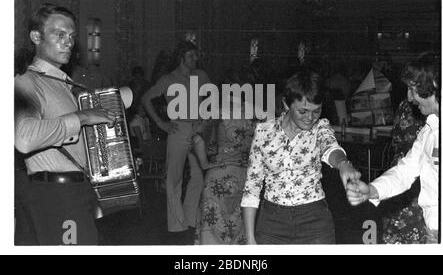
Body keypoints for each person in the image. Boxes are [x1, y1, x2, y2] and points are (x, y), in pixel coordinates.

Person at [15, 3, 116, 245]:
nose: (68, 42)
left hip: (76, 192)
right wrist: (82, 117)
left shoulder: (64, 84)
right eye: (59, 35)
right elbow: (23, 138)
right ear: (36, 37)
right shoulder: (27, 82)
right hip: (56, 196)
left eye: (71, 36)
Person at [240, 68, 361, 244]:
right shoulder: (264, 131)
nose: (310, 118)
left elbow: (330, 147)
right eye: (303, 111)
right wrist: (250, 238)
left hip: (314, 221)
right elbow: (252, 186)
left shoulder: (320, 128)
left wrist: (343, 164)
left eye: (316, 111)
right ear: (287, 105)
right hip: (271, 223)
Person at [346, 52, 440, 244]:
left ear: (435, 86)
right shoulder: (429, 130)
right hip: (433, 234)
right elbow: (404, 171)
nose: (409, 97)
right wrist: (371, 190)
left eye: (412, 89)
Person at [141, 41, 211, 234]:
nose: (195, 59)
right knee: (174, 179)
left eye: (195, 55)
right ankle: (176, 224)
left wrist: (205, 120)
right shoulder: (168, 79)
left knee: (198, 176)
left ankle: (189, 217)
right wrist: (159, 123)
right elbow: (146, 98)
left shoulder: (201, 76)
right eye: (191, 56)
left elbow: (212, 98)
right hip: (178, 129)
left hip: (197, 129)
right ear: (181, 58)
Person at [193, 72, 257, 245]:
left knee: (212, 231)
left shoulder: (217, 112)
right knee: (239, 231)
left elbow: (197, 138)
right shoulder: (257, 114)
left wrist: (205, 163)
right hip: (245, 179)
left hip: (218, 178)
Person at [380, 98, 427, 244]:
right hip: (406, 170)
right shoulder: (407, 105)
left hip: (414, 172)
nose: (410, 94)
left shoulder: (420, 108)